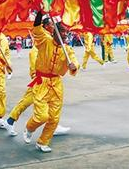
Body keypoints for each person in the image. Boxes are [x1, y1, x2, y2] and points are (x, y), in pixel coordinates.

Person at [23, 11, 79, 153]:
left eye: (66, 32)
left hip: (56, 85)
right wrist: (41, 13)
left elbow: (74, 62)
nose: (65, 35)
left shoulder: (67, 49)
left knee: (54, 118)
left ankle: (43, 142)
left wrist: (73, 66)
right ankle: (29, 128)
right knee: (42, 116)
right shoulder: (44, 41)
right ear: (55, 32)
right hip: (41, 82)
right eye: (62, 32)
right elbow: (36, 28)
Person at [4, 17, 70, 137]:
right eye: (50, 24)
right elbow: (35, 62)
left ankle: (52, 125)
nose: (52, 26)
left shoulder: (53, 40)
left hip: (49, 81)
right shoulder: (41, 43)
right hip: (40, 80)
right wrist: (36, 76)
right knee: (27, 101)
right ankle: (11, 121)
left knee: (45, 103)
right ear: (45, 26)